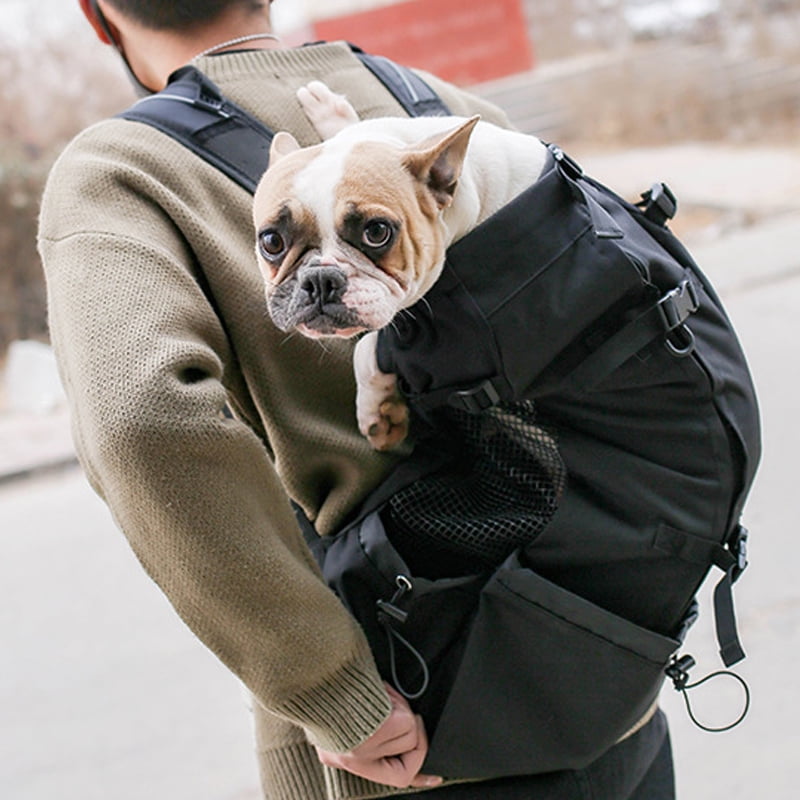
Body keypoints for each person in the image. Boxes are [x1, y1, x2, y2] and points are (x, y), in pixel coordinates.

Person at [38, 2, 675, 798]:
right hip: (600, 668)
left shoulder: (120, 172)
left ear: (98, 16)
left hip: (404, 725)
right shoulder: (444, 109)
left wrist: (329, 687)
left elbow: (142, 420)